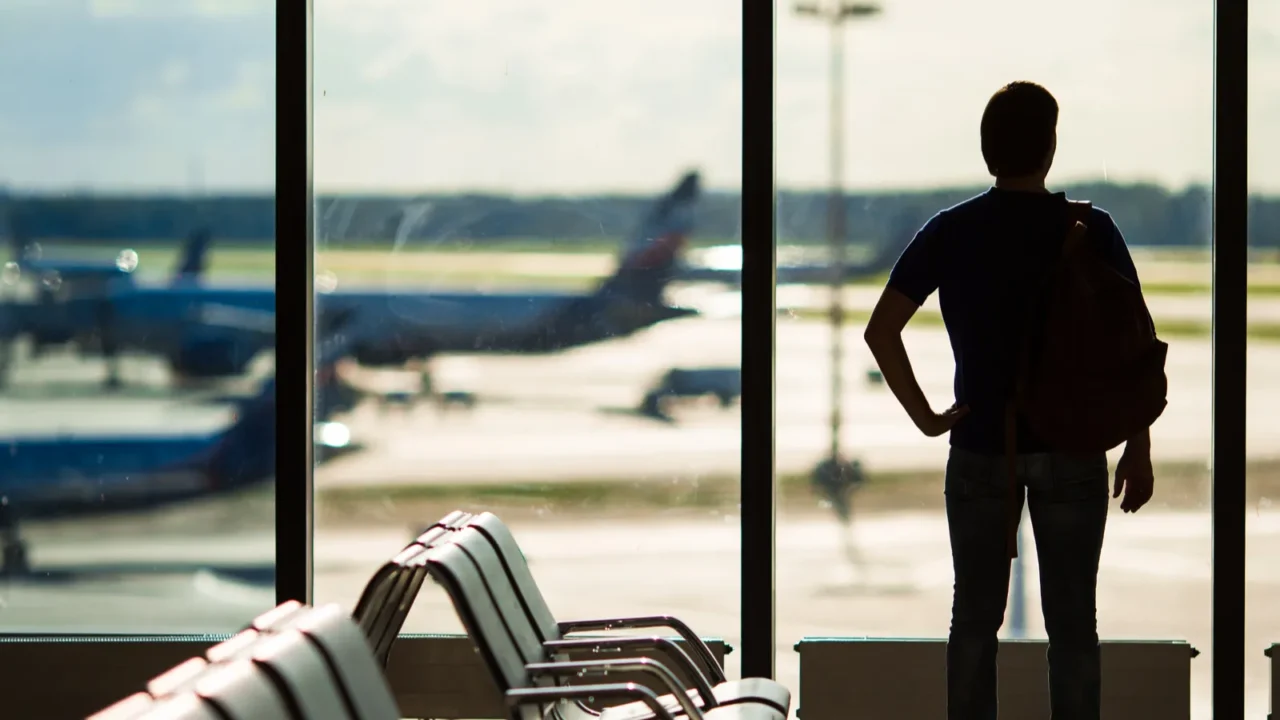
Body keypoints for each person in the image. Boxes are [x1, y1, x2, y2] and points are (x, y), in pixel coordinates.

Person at [862, 81, 1156, 720]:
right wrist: (1137, 444)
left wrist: (927, 418)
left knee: (973, 620)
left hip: (979, 448)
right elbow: (1132, 349)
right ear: (1049, 149)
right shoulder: (1090, 228)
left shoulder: (951, 231)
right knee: (1074, 624)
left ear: (988, 151)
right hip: (1075, 448)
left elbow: (881, 331)